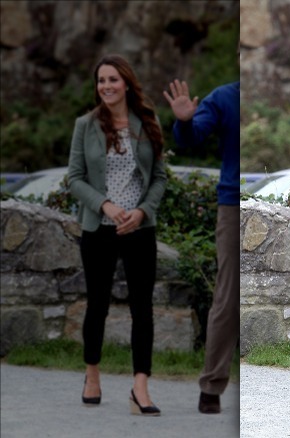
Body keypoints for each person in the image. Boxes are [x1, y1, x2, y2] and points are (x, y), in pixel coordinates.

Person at [67, 54, 167, 416]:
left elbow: (159, 178)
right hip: (99, 229)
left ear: (126, 83)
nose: (106, 86)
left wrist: (141, 212)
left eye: (112, 79)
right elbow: (74, 177)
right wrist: (104, 205)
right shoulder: (86, 125)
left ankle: (140, 386)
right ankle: (91, 373)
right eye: (100, 80)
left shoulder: (147, 122)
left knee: (143, 309)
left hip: (140, 229)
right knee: (97, 305)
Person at [163, 76, 239, 414]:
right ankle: (211, 386)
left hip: (263, 201)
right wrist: (183, 121)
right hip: (232, 206)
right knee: (228, 295)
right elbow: (192, 138)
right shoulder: (223, 97)